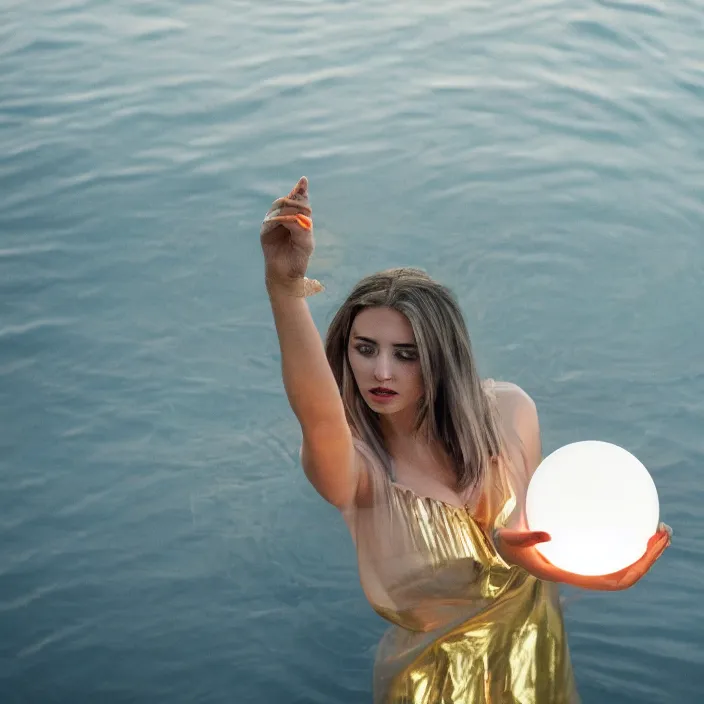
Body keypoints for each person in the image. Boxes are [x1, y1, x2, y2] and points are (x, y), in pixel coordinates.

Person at [260, 176, 672, 704]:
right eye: (366, 349)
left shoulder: (511, 412)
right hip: (436, 682)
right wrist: (285, 288)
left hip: (535, 650)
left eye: (406, 354)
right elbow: (318, 415)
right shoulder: (355, 472)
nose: (381, 371)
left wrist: (587, 568)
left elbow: (544, 541)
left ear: (441, 356)